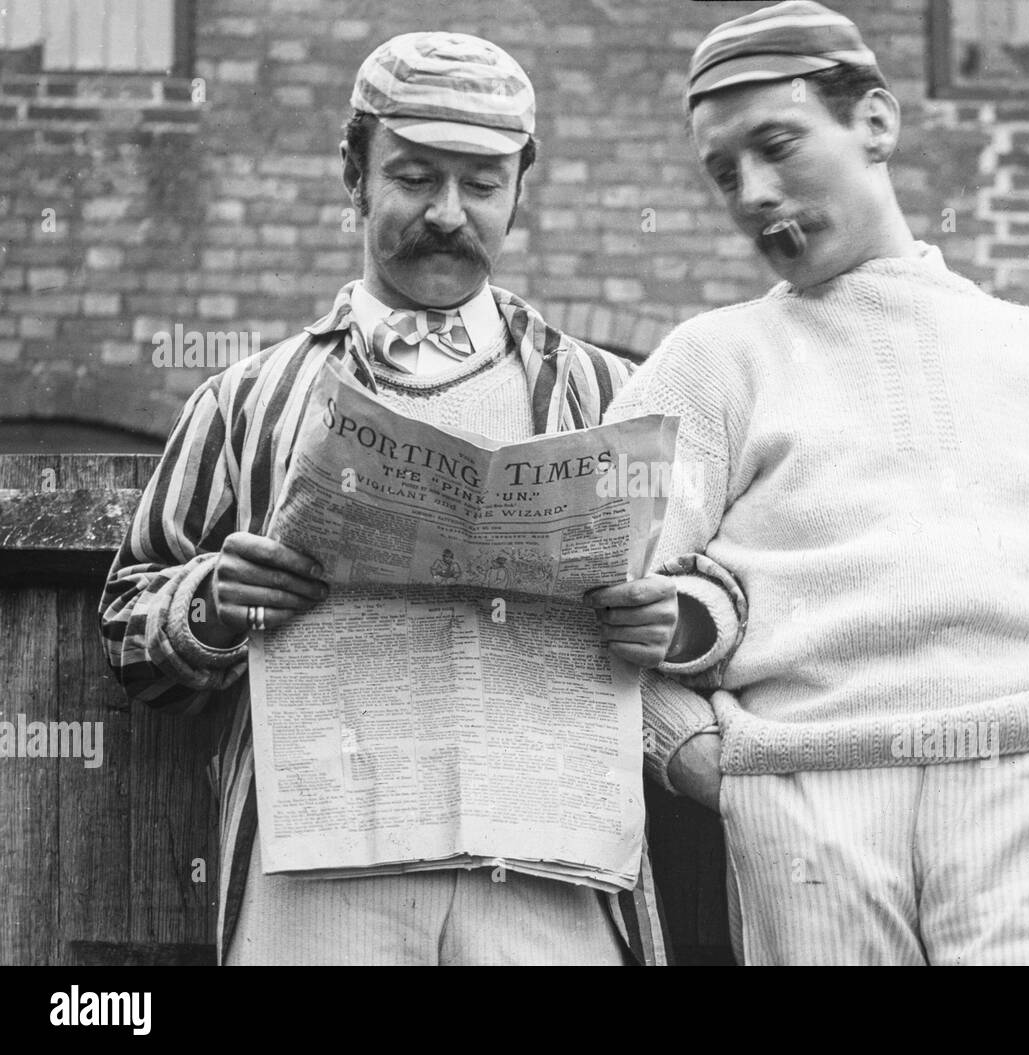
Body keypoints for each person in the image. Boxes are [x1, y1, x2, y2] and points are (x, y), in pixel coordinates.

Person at [611, 1, 1029, 965]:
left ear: (875, 121)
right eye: (721, 172)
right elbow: (587, 588)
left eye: (777, 144)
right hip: (806, 811)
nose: (751, 191)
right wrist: (698, 757)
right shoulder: (711, 363)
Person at [99, 31, 738, 966]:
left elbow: (723, 589)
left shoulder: (614, 396)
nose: (447, 213)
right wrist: (212, 603)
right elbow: (127, 620)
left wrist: (677, 620)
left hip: (553, 872)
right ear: (354, 174)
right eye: (413, 177)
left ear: (522, 186)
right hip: (317, 881)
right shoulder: (246, 399)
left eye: (480, 183)